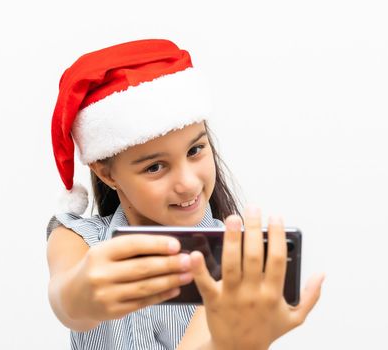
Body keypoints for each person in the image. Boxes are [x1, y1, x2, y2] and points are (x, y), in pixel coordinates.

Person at [46, 39, 325, 350]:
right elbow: (65, 299)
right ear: (107, 172)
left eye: (195, 150)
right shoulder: (79, 239)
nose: (189, 183)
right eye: (155, 167)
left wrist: (232, 344)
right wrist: (82, 295)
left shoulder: (230, 262)